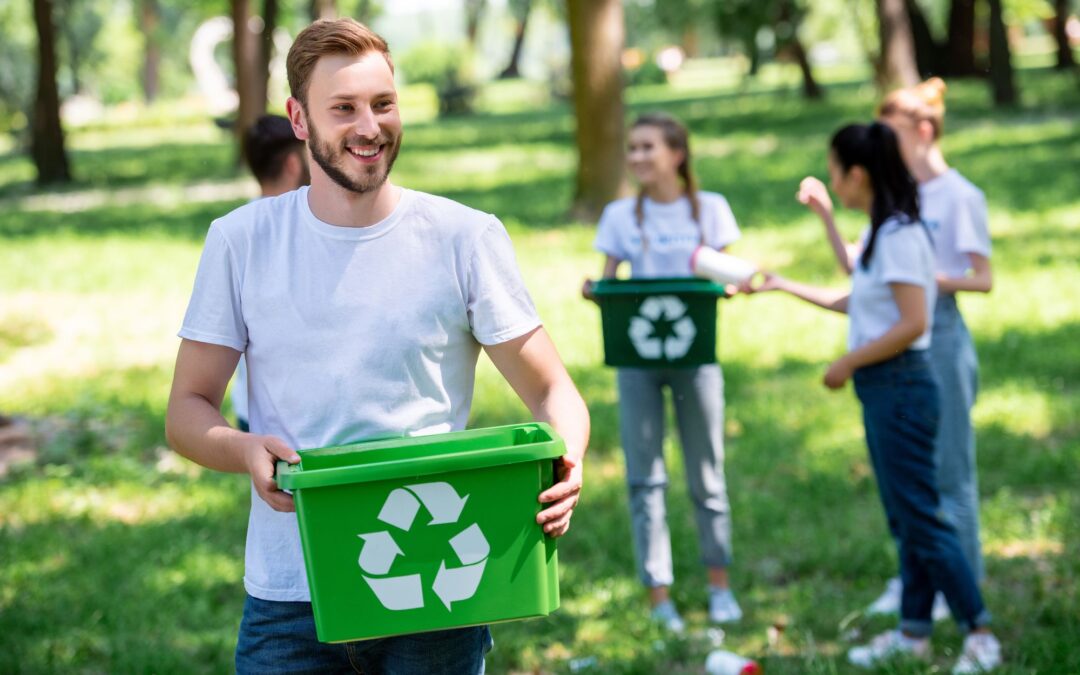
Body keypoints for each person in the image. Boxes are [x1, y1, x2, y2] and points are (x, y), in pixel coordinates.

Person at [165, 18, 589, 674]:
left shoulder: (462, 237)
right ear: (299, 120)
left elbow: (552, 388)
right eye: (344, 108)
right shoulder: (241, 241)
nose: (369, 126)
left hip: (440, 583)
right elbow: (188, 409)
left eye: (383, 104)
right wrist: (244, 448)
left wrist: (571, 458)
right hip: (293, 591)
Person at [744, 122, 1001, 673]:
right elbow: (858, 302)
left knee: (924, 517)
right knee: (907, 516)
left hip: (902, 385)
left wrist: (847, 362)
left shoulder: (903, 234)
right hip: (885, 388)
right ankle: (913, 634)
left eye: (836, 172)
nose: (835, 183)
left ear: (856, 174)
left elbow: (913, 322)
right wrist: (784, 285)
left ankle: (980, 634)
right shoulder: (884, 232)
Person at [797, 77, 992, 621]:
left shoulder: (934, 211)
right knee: (907, 499)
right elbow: (863, 288)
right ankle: (918, 609)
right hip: (889, 360)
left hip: (924, 351)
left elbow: (930, 307)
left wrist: (917, 282)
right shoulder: (889, 219)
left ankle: (967, 603)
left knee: (942, 485)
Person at [582, 112, 742, 632]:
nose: (637, 157)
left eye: (648, 147)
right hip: (638, 361)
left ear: (678, 154)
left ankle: (719, 586)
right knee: (644, 477)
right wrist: (595, 292)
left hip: (696, 358)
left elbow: (726, 277)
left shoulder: (710, 211)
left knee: (707, 473)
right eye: (632, 148)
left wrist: (736, 285)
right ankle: (660, 596)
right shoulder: (620, 216)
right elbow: (610, 286)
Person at [231, 114, 311, 433]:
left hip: (248, 406)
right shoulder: (302, 230)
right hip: (291, 416)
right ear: (293, 164)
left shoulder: (236, 229)